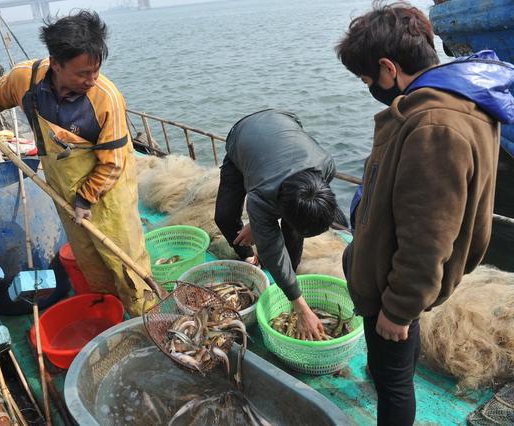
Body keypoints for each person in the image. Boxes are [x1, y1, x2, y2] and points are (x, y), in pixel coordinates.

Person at [336, 2, 514, 425]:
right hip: (389, 273)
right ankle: (387, 369)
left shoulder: (435, 125)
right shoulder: (458, 101)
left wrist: (398, 310)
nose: (369, 87)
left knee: (396, 384)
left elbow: (428, 235)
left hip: (393, 286)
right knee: (393, 369)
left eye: (366, 78)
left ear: (387, 68)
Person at [0, 11, 156, 316]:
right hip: (63, 188)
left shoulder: (105, 97)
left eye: (95, 70)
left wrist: (86, 198)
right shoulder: (24, 79)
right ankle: (112, 312)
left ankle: (145, 314)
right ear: (55, 63)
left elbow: (113, 162)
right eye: (82, 73)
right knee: (89, 258)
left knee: (126, 260)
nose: (90, 80)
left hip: (107, 191)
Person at [214, 109, 348, 340]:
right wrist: (258, 223)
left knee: (293, 233)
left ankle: (289, 279)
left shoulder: (326, 166)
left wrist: (261, 224)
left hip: (285, 124)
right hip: (242, 137)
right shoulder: (260, 196)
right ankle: (248, 258)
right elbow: (273, 250)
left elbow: (310, 204)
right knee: (224, 217)